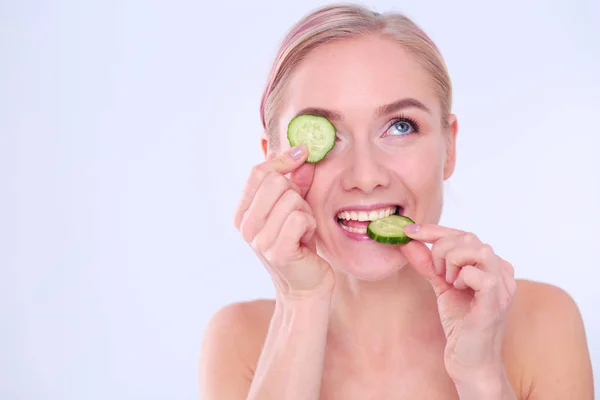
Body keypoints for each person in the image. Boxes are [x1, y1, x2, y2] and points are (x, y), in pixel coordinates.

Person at [199, 3, 594, 399]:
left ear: (449, 146)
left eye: (400, 126)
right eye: (325, 136)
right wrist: (300, 302)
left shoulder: (544, 322)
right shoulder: (239, 340)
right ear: (274, 161)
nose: (366, 177)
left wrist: (482, 377)